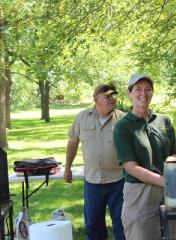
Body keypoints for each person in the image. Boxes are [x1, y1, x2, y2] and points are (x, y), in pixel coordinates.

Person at [113, 73, 176, 240]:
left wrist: (170, 165)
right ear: (130, 93)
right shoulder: (123, 126)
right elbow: (130, 166)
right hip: (140, 191)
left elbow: (175, 152)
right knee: (142, 234)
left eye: (148, 89)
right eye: (138, 89)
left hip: (172, 189)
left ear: (153, 92)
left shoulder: (164, 121)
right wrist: (162, 180)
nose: (143, 94)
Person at [64, 83, 126, 240]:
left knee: (121, 223)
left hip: (118, 180)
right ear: (96, 99)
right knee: (93, 225)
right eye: (108, 96)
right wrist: (68, 168)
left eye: (113, 96)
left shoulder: (123, 119)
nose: (112, 99)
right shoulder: (82, 117)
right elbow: (73, 142)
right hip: (92, 181)